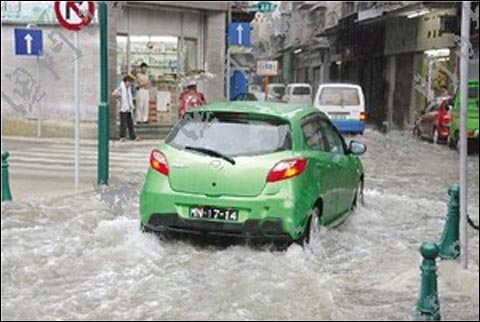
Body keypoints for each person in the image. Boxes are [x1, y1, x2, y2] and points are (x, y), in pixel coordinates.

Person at [112, 74, 138, 141]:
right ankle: (122, 136)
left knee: (130, 122)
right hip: (122, 108)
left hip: (128, 108)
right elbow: (114, 93)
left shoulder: (128, 89)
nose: (130, 84)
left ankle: (132, 136)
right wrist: (119, 96)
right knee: (123, 123)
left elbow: (129, 97)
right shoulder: (121, 87)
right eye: (130, 82)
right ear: (126, 81)